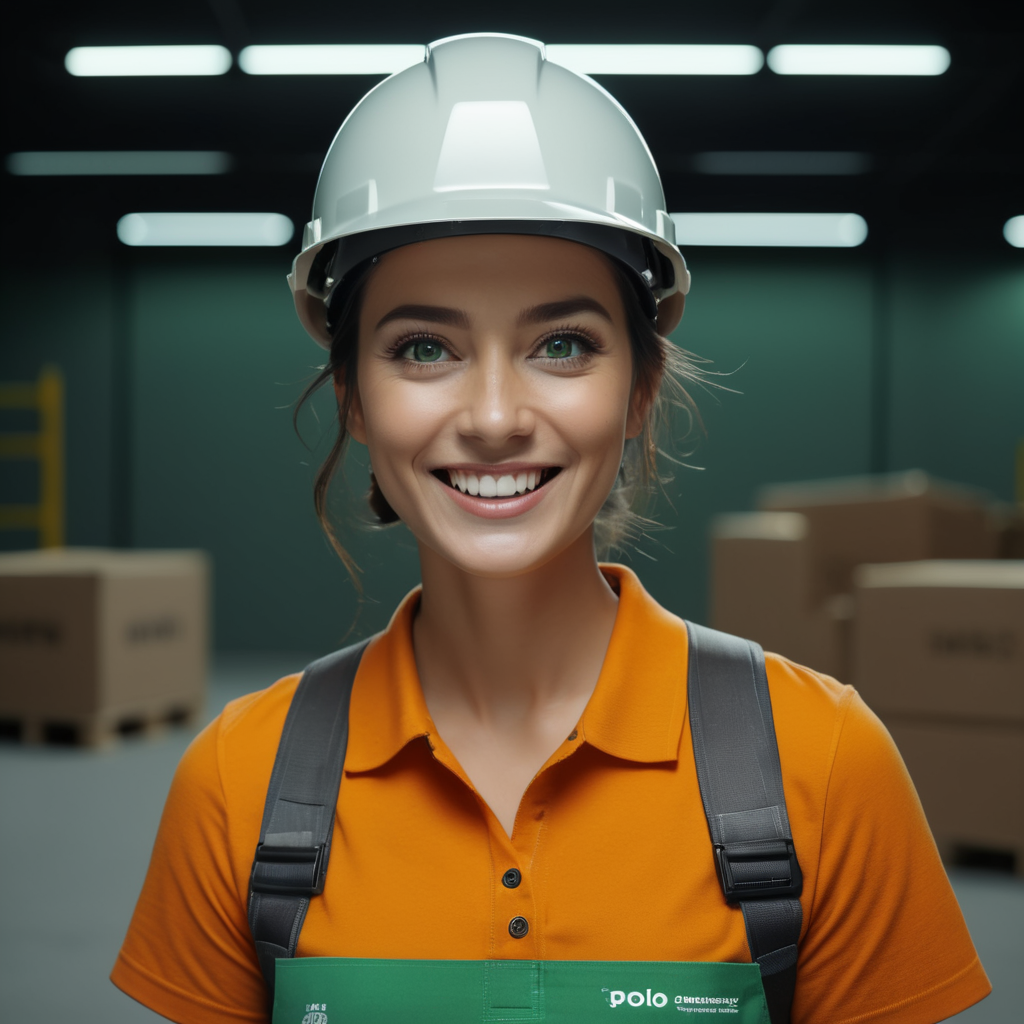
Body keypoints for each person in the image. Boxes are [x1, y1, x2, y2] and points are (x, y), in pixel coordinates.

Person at [112, 33, 990, 1024]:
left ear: (640, 389)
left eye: (562, 344)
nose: (494, 416)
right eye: (424, 348)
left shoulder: (825, 763)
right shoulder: (238, 780)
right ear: (353, 397)